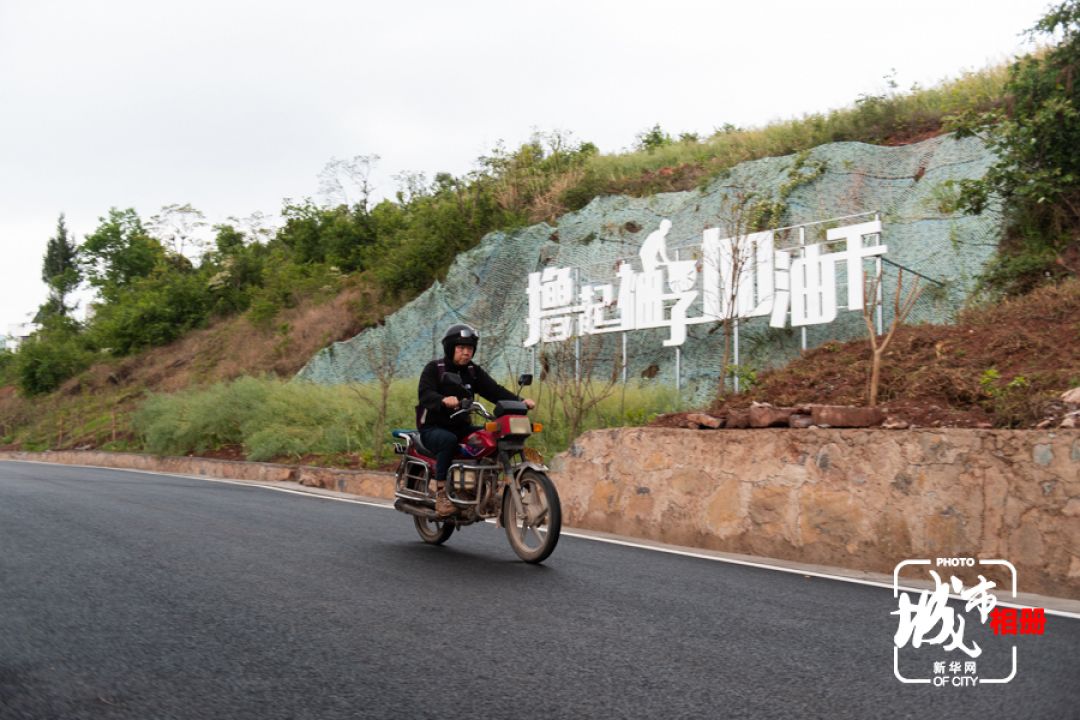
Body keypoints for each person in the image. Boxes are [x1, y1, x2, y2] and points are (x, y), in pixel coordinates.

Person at [418, 324, 535, 518]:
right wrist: (442, 400)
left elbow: (494, 390)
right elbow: (425, 394)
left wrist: (520, 401)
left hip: (461, 427)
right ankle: (441, 495)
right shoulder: (435, 368)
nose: (466, 353)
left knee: (490, 439)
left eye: (469, 348)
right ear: (451, 348)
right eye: (461, 348)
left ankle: (481, 488)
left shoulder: (472, 371)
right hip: (433, 428)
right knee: (448, 440)